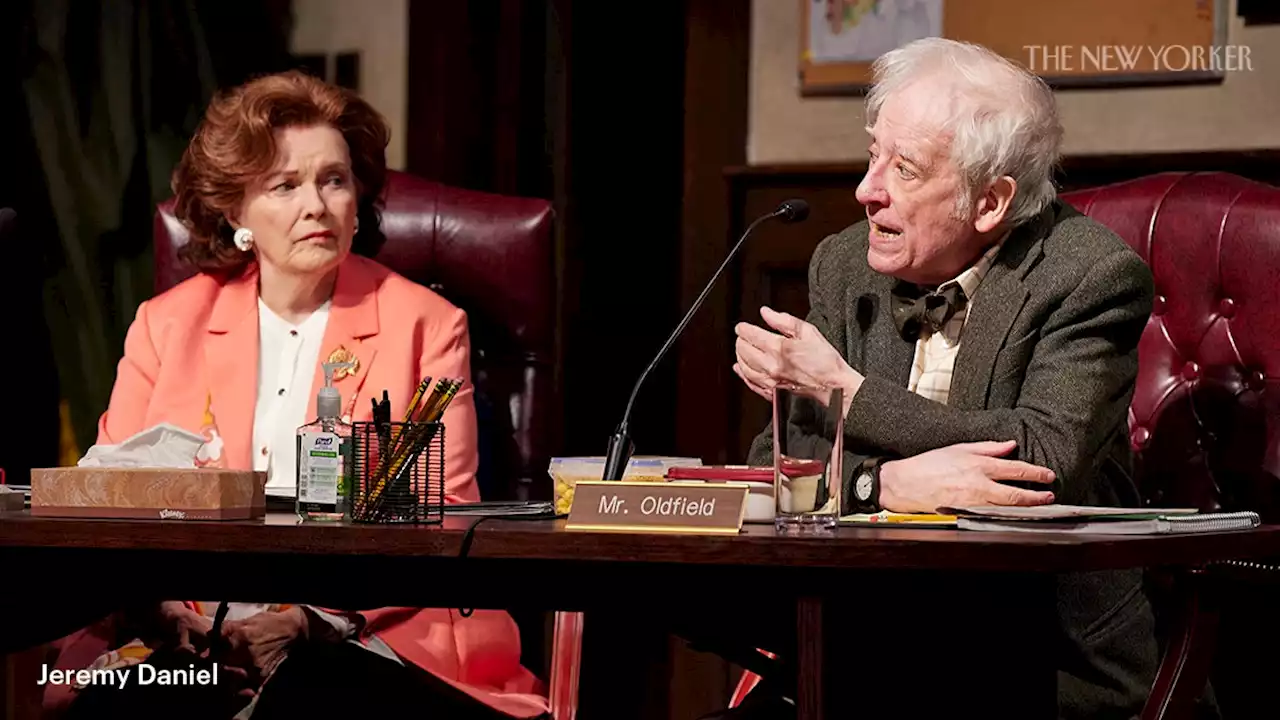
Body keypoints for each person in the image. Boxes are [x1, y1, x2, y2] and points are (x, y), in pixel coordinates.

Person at [45, 71, 550, 720]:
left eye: (334, 180)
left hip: (364, 638)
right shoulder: (166, 325)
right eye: (285, 185)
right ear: (236, 213)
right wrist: (169, 615)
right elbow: (109, 504)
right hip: (183, 636)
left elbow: (435, 522)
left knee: (310, 697)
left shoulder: (421, 325)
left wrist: (309, 621)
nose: (317, 204)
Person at [724, 38, 1161, 719]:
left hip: (1035, 662)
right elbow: (775, 465)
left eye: (904, 169)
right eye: (874, 154)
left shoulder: (1087, 276)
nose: (866, 191)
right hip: (862, 651)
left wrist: (848, 393)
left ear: (988, 202)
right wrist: (887, 486)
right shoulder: (844, 268)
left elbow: (1042, 458)